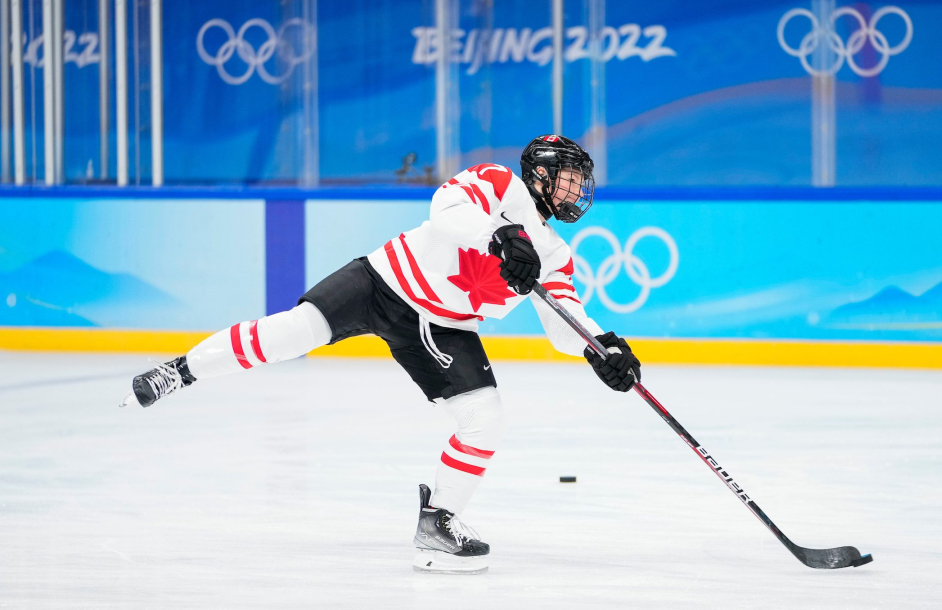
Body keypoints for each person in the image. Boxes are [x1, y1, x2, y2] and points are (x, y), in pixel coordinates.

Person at [121, 135, 642, 575]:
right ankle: (180, 371)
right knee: (292, 332)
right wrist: (500, 234)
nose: (579, 190)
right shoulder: (498, 184)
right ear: (541, 175)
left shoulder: (554, 255)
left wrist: (603, 350)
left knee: (485, 416)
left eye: (582, 180)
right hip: (382, 279)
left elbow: (564, 324)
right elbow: (444, 213)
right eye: (571, 178)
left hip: (441, 324)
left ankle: (438, 523)